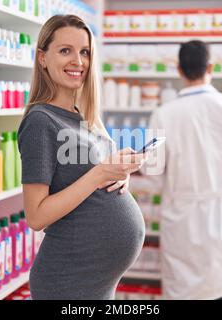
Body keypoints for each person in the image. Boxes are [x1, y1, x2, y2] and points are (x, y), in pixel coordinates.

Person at [17, 15, 146, 300]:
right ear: (42, 58)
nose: (78, 61)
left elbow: (90, 183)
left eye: (84, 52)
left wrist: (119, 174)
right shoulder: (41, 121)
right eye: (65, 51)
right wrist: (100, 173)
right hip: (68, 281)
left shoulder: (80, 116)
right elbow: (36, 216)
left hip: (95, 283)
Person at [141, 40, 222, 300]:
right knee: (218, 290)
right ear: (211, 67)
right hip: (219, 224)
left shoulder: (164, 114)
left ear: (179, 70)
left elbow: (152, 172)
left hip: (180, 224)